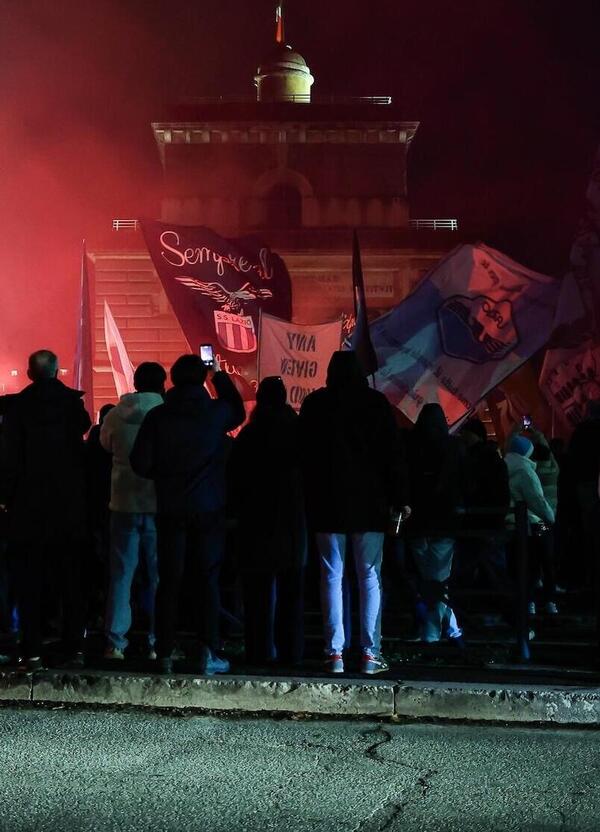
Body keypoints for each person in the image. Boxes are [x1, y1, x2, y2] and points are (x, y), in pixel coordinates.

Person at [130, 354, 245, 675]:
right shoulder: (214, 412)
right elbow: (237, 409)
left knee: (169, 581)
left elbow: (140, 462)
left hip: (171, 508)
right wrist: (219, 377)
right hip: (208, 508)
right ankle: (208, 651)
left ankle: (165, 651)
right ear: (201, 378)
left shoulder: (158, 416)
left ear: (173, 380)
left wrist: (165, 476)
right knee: (207, 579)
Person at [299, 351, 409, 675]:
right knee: (370, 577)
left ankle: (334, 653)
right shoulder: (377, 404)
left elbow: (304, 454)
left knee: (331, 577)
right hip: (370, 505)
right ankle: (370, 653)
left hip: (327, 503)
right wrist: (400, 497)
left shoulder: (316, 404)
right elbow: (394, 455)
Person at [0, 350, 91, 670]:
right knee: (71, 579)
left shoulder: (17, 408)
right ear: (56, 372)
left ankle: (33, 649)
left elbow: (9, 460)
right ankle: (74, 647)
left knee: (28, 581)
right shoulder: (72, 405)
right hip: (68, 506)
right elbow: (83, 438)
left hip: (28, 506)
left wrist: (7, 500)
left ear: (29, 373)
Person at [229, 377, 306, 667]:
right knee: (292, 592)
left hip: (256, 519)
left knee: (257, 592)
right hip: (291, 519)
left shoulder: (250, 435)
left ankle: (259, 650)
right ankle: (292, 652)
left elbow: (235, 476)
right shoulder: (298, 432)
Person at [100, 363, 166, 660]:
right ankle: (156, 641)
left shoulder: (116, 413)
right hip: (157, 505)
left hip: (122, 503)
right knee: (157, 577)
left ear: (136, 382)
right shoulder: (166, 412)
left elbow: (104, 444)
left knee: (121, 574)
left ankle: (116, 642)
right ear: (162, 383)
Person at [405, 403, 463, 643]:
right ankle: (439, 630)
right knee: (437, 578)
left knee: (428, 577)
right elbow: (459, 482)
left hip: (417, 521)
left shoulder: (411, 447)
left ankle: (442, 629)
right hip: (444, 521)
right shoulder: (452, 447)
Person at [456, 417, 510, 593]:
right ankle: (504, 606)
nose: (462, 436)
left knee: (472, 565)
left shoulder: (473, 458)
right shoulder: (493, 458)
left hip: (478, 519)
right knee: (493, 567)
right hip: (489, 520)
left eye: (465, 433)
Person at [504, 435, 556, 615]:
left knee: (520, 566)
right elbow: (537, 501)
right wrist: (551, 519)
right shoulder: (525, 471)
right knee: (544, 558)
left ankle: (528, 602)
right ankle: (548, 600)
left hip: (510, 525)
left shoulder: (504, 467)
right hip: (533, 523)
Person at [85, 403, 114, 630]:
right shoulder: (118, 451)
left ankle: (94, 611)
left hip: (92, 514)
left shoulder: (89, 450)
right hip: (117, 510)